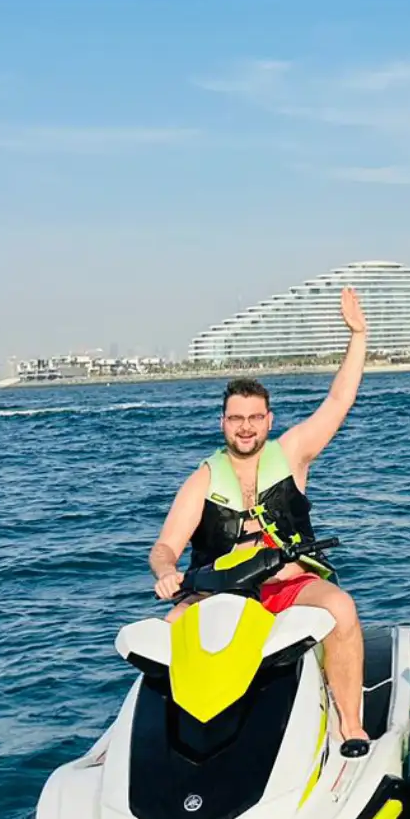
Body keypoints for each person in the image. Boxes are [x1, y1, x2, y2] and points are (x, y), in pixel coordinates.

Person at [148, 286, 372, 753]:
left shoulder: (291, 454)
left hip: (289, 584)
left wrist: (358, 336)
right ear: (222, 423)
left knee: (343, 609)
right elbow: (165, 546)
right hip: (219, 593)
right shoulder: (203, 479)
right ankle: (161, 743)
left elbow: (337, 402)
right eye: (235, 419)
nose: (245, 427)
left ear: (268, 421)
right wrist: (167, 572)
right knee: (167, 633)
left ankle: (350, 724)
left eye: (254, 418)